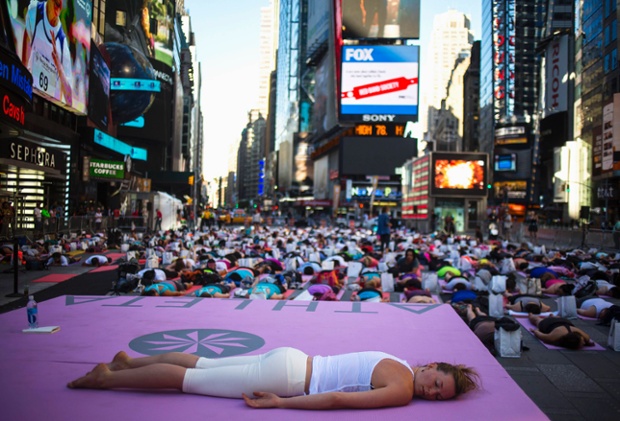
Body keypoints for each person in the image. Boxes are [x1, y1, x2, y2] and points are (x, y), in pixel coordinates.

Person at [67, 347, 480, 409]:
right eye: (436, 384)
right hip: (290, 380)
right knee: (187, 381)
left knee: (202, 364)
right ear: (430, 368)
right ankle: (106, 377)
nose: (431, 392)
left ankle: (128, 362)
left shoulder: (398, 360)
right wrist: (281, 404)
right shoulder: (404, 390)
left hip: (292, 358)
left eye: (438, 396)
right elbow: (337, 401)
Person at [21, 0, 73, 106]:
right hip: (28, 97)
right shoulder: (34, 12)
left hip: (47, 107)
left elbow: (69, 99)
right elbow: (24, 62)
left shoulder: (62, 44)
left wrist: (59, 66)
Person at [528, 314, 593, 349]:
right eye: (583, 342)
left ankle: (552, 316)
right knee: (536, 320)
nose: (584, 343)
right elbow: (539, 334)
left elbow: (539, 334)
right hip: (549, 323)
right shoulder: (554, 336)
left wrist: (536, 331)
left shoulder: (582, 335)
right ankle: (530, 314)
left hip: (563, 321)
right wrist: (535, 330)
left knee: (538, 319)